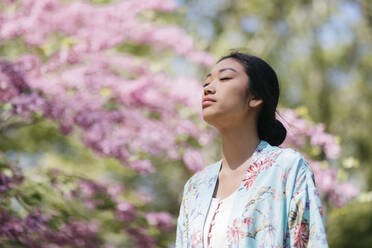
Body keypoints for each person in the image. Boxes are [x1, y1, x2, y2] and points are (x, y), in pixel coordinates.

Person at [175, 51, 329, 247]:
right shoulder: (195, 187)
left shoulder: (286, 168)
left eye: (225, 78)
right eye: (206, 83)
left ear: (255, 97)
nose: (208, 89)